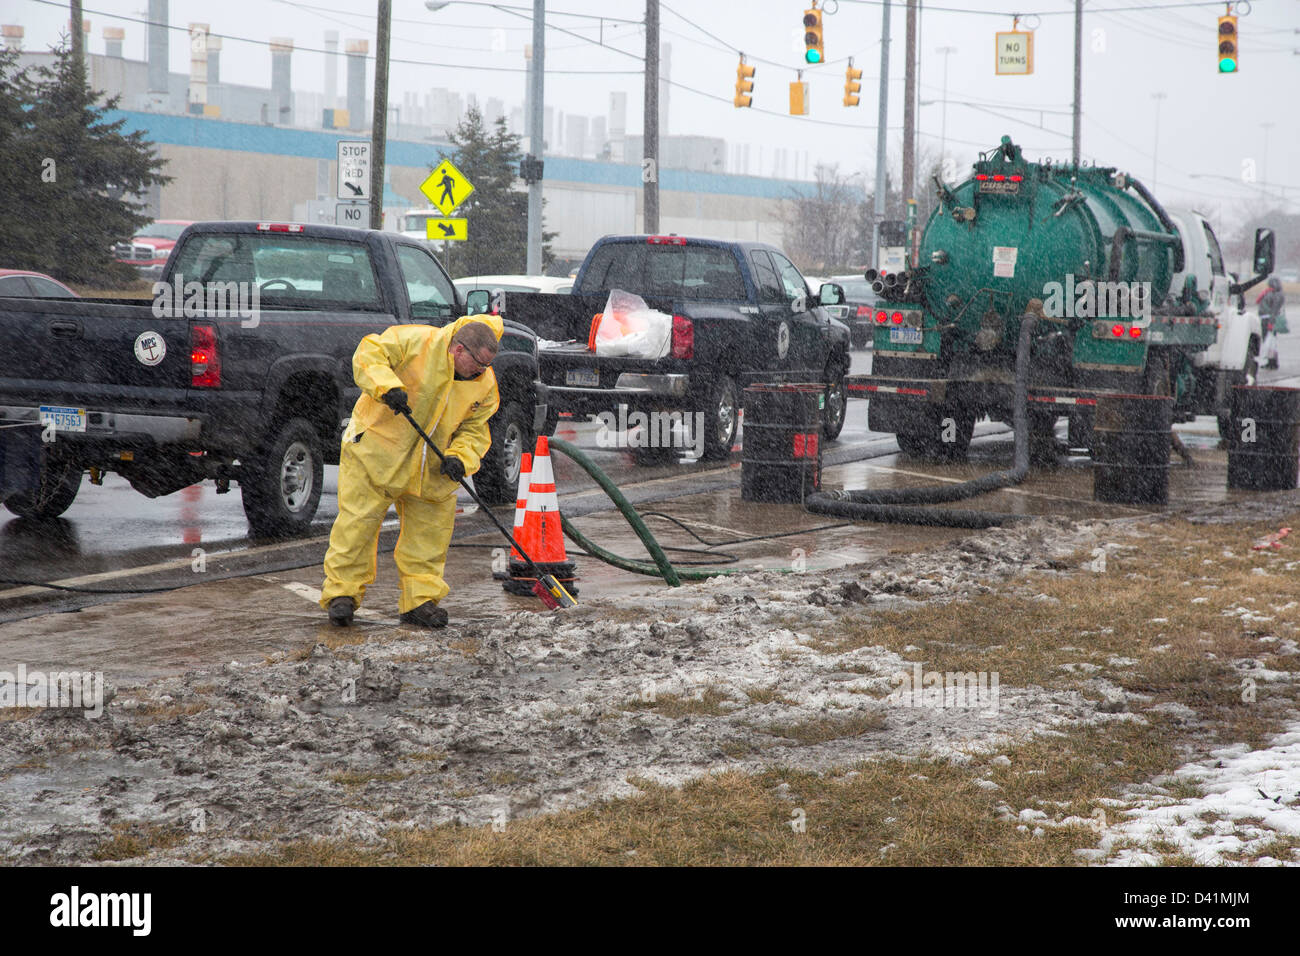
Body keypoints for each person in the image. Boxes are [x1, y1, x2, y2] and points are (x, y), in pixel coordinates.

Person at [320, 315, 501, 628]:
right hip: (377, 452)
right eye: (478, 364)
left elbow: (475, 430)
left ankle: (420, 602)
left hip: (432, 467)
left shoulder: (484, 384)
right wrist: (387, 386)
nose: (483, 372)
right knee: (357, 526)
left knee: (429, 536)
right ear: (459, 350)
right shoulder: (416, 342)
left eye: (487, 366)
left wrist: (459, 457)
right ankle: (342, 595)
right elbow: (368, 354)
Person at [1259, 276, 1286, 369]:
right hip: (1266, 318)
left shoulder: (1277, 295)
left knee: (1271, 342)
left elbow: (1275, 309)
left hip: (1269, 320)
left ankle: (1272, 362)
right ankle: (1271, 361)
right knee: (1270, 342)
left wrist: (1271, 322)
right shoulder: (1271, 293)